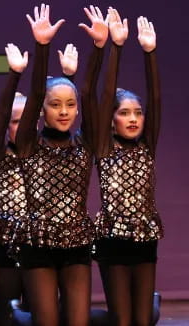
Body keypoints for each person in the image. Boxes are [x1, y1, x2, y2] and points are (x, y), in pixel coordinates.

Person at [13, 5, 108, 325]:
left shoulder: (86, 143)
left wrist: (99, 48)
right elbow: (38, 90)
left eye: (70, 106)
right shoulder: (29, 143)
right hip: (37, 245)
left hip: (77, 245)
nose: (64, 111)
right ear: (42, 110)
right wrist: (42, 47)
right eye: (56, 105)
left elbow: (89, 92)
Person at [0, 42, 78, 326]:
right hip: (7, 241)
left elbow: (63, 119)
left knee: (46, 313)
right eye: (15, 121)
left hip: (42, 240)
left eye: (29, 120)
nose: (22, 127)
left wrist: (68, 78)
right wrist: (14, 73)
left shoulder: (48, 151)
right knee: (8, 316)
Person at [94, 10, 163, 326]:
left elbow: (156, 99)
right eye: (125, 113)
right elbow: (105, 95)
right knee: (122, 320)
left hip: (145, 236)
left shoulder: (147, 144)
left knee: (143, 318)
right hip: (112, 239)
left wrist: (150, 53)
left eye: (138, 113)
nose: (134, 118)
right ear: (111, 119)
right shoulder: (104, 147)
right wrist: (116, 48)